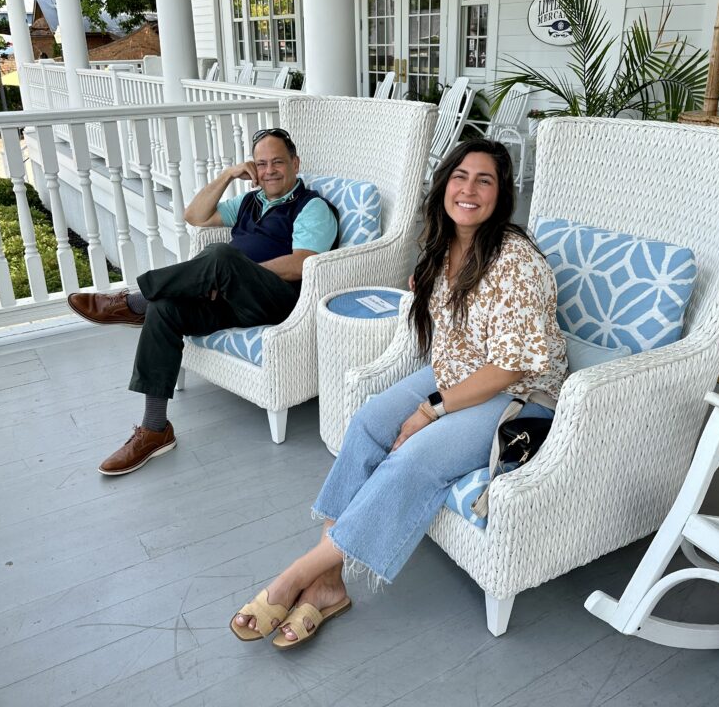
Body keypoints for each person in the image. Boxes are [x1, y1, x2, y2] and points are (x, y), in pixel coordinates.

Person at [230, 138, 568, 649]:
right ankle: (329, 584)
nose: (469, 189)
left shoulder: (516, 261)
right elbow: (441, 321)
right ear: (444, 184)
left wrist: (429, 412)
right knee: (367, 421)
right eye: (460, 176)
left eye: (485, 180)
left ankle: (299, 574)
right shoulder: (441, 241)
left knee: (410, 460)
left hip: (516, 391)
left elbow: (510, 365)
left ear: (502, 195)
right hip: (455, 368)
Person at [67, 128, 338, 476]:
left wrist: (237, 272)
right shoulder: (248, 201)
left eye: (278, 162)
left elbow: (304, 262)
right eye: (261, 163)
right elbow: (194, 216)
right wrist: (227, 175)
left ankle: (132, 302)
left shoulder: (311, 207)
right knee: (165, 310)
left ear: (295, 163)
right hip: (229, 297)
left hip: (279, 302)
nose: (269, 170)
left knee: (221, 255)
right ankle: (154, 429)